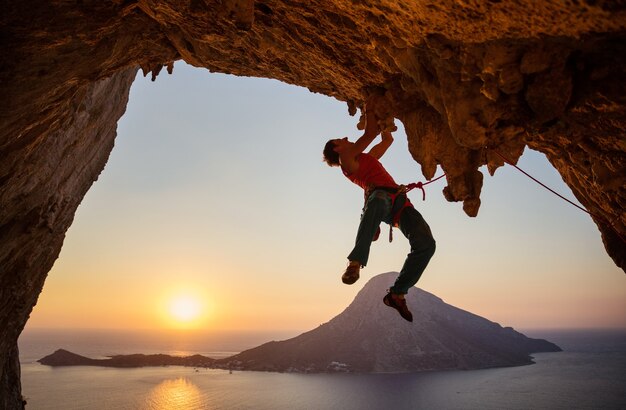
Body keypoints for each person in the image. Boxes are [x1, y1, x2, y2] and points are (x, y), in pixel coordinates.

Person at [322, 102, 436, 322]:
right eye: (340, 140)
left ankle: (397, 293)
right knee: (379, 200)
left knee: (426, 244)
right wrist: (371, 103)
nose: (345, 138)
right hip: (380, 198)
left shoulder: (368, 158)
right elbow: (371, 132)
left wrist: (386, 121)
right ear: (337, 149)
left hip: (399, 201)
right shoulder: (347, 161)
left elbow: (386, 139)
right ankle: (355, 262)